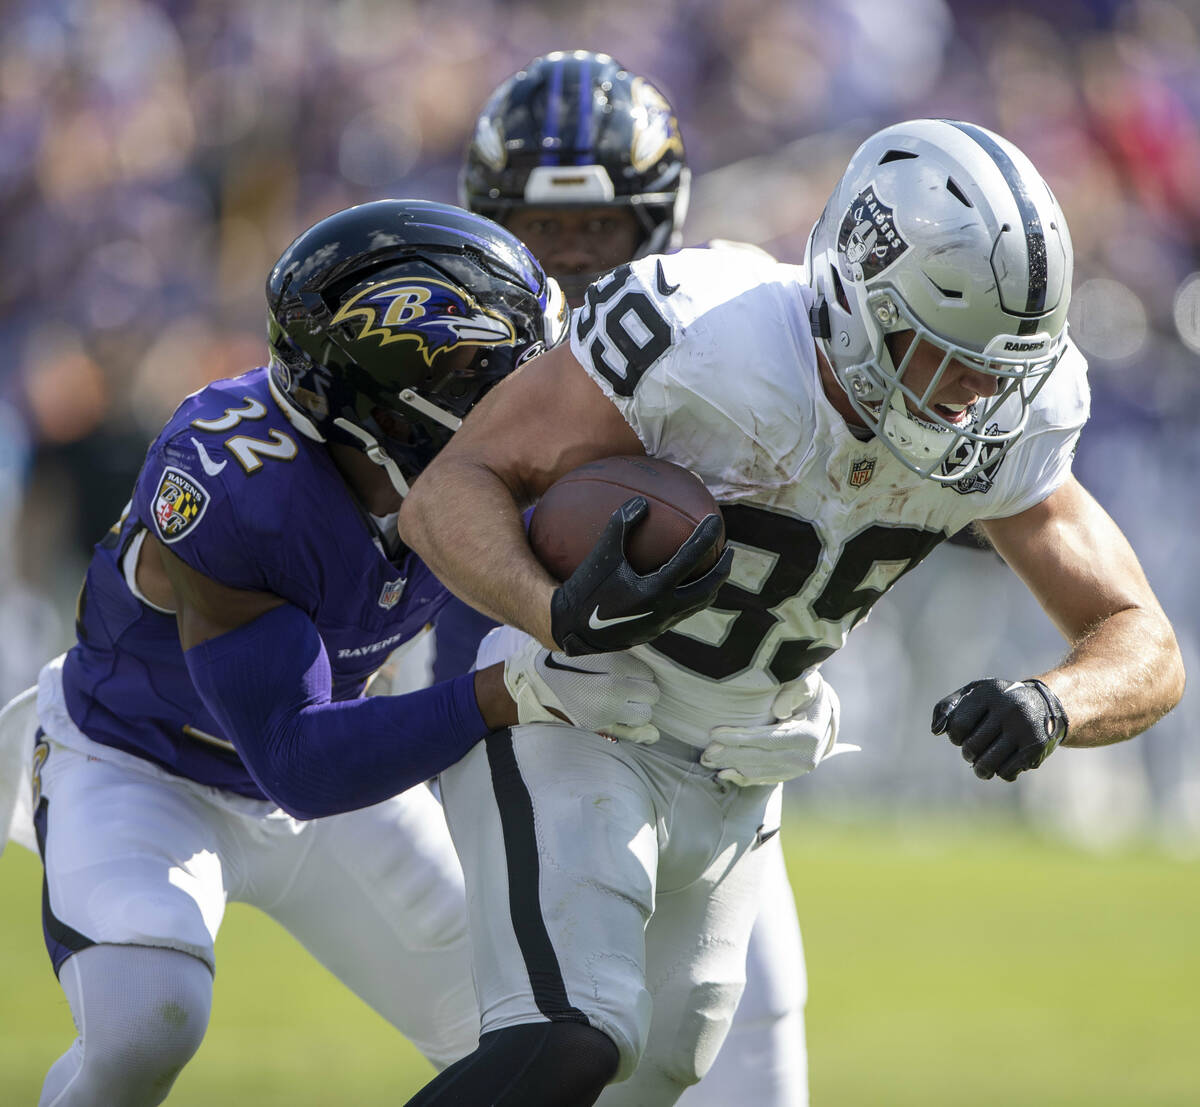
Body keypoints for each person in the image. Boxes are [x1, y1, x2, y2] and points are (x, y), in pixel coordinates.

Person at [396, 119, 1186, 1106]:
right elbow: (451, 489)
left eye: (999, 366)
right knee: (571, 1039)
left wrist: (1054, 703)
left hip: (743, 757)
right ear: (859, 291)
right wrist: (551, 611)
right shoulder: (707, 337)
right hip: (578, 710)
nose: (976, 395)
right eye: (941, 353)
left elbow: (1143, 639)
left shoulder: (1012, 410)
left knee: (659, 1078)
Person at [4, 198, 716, 1106]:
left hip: (330, 771)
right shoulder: (238, 487)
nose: (523, 399)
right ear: (393, 400)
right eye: (485, 375)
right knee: (147, 1016)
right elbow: (300, 757)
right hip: (141, 765)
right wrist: (508, 693)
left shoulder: (433, 463)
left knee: (524, 1026)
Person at [436, 50, 812, 1106]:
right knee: (556, 1056)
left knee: (754, 1074)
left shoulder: (710, 351)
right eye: (542, 228)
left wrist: (798, 678)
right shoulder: (454, 349)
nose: (564, 259)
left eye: (594, 230)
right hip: (532, 747)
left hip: (714, 767)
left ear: (653, 225)